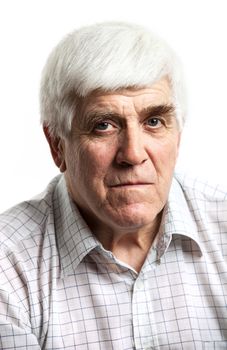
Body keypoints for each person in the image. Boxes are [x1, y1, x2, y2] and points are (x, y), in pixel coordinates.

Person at [0, 21, 226, 350]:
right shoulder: (9, 266)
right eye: (103, 125)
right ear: (57, 146)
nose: (133, 154)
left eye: (154, 121)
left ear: (178, 136)